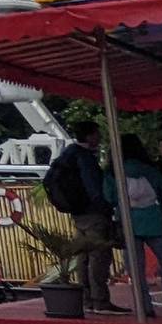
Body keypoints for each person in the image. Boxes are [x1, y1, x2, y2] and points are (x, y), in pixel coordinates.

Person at [106, 135, 162, 318]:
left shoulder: (113, 172)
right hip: (154, 221)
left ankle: (144, 306)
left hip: (128, 222)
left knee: (135, 269)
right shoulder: (150, 170)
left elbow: (109, 197)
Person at [50, 120, 125, 313]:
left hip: (77, 213)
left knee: (83, 258)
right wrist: (105, 207)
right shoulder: (85, 158)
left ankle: (87, 299)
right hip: (93, 213)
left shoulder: (67, 155)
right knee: (99, 257)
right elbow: (93, 187)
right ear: (90, 135)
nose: (99, 137)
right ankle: (100, 300)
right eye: (97, 133)